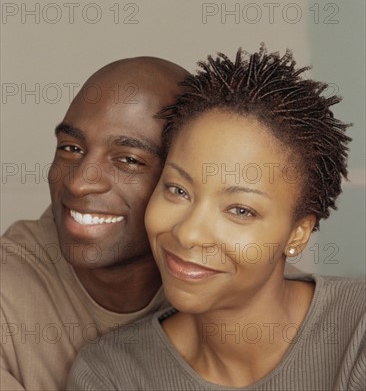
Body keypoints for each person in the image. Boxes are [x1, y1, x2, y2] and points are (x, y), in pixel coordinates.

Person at [68, 46, 365, 391]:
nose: (189, 233)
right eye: (178, 190)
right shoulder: (112, 374)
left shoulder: (356, 333)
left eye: (240, 210)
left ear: (298, 234)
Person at [0, 56, 188, 391]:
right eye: (71, 148)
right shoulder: (9, 291)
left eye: (129, 160)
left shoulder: (230, 288)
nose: (79, 183)